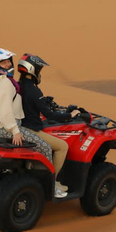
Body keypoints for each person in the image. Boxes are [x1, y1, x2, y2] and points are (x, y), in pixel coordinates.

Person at [0, 48, 67, 198]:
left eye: (8, 61)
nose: (8, 64)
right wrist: (14, 130)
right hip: (6, 128)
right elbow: (5, 110)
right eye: (4, 62)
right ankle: (51, 186)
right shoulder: (6, 84)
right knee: (45, 148)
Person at [16, 53, 80, 194]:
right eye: (39, 70)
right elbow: (50, 115)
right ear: (33, 71)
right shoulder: (34, 90)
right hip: (31, 129)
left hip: (20, 127)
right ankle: (53, 183)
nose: (40, 74)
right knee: (62, 146)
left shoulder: (18, 86)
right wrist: (70, 115)